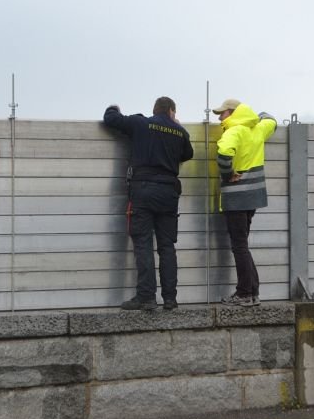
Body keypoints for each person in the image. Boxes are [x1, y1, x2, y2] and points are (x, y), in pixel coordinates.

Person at [103, 97, 194, 311]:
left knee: (143, 244)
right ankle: (170, 298)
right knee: (167, 246)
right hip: (169, 193)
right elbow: (188, 153)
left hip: (142, 191)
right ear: (172, 111)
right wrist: (177, 127)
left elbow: (110, 118)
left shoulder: (140, 123)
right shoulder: (180, 132)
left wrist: (114, 107)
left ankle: (146, 297)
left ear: (155, 110)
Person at [212, 98, 277, 307]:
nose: (220, 118)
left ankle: (243, 294)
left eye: (222, 113)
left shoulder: (233, 131)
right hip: (253, 198)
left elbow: (223, 155)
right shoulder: (258, 129)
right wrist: (255, 117)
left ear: (233, 112)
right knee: (243, 246)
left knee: (239, 246)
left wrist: (228, 174)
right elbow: (271, 119)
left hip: (237, 197)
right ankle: (253, 292)